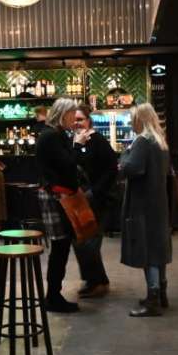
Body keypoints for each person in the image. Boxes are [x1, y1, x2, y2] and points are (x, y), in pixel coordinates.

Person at [35, 98, 92, 313]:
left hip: (59, 195)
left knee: (62, 245)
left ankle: (53, 295)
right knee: (60, 246)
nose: (74, 120)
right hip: (56, 196)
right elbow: (67, 164)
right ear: (63, 114)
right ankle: (53, 296)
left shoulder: (55, 134)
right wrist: (78, 145)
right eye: (71, 115)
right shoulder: (51, 136)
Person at [119, 103, 172, 318]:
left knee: (147, 252)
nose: (130, 123)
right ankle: (161, 293)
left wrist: (124, 156)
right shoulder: (160, 142)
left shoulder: (142, 141)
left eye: (132, 119)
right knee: (158, 250)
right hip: (158, 203)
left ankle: (153, 300)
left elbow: (132, 168)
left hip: (142, 205)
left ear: (139, 119)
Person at [71, 103, 118, 299]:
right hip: (80, 200)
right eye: (74, 119)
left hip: (99, 200)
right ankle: (96, 281)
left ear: (89, 120)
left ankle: (97, 282)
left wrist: (95, 191)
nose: (77, 123)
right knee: (81, 241)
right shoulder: (75, 141)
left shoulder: (97, 140)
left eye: (80, 119)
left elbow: (112, 168)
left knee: (89, 242)